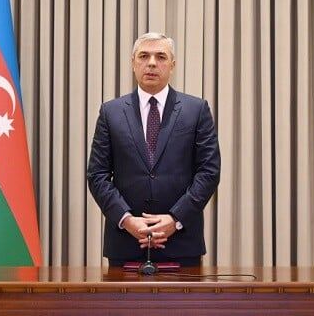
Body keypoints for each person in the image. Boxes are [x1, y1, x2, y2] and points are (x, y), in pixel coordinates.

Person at [87, 32, 220, 267]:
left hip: (181, 243)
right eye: (144, 56)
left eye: (160, 57)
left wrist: (175, 218)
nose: (151, 63)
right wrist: (127, 219)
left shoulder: (196, 110)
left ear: (172, 65)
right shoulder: (111, 112)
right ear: (133, 63)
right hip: (126, 243)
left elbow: (209, 172)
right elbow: (97, 175)